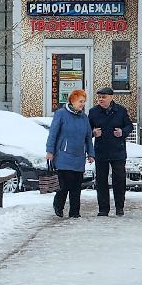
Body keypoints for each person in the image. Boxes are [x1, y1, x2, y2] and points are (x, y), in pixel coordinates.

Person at [45, 88, 93, 219]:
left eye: (84, 102)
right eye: (80, 101)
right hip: (63, 155)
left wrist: (90, 153)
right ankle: (58, 206)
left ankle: (75, 212)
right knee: (64, 186)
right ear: (72, 100)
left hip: (79, 157)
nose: (83, 104)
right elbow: (53, 134)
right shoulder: (61, 114)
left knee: (76, 187)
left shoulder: (84, 117)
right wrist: (50, 151)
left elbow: (88, 137)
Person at [87, 86, 132, 217]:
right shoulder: (93, 112)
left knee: (119, 180)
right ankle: (103, 209)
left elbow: (129, 125)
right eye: (99, 97)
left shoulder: (120, 110)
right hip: (101, 151)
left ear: (111, 97)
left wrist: (122, 132)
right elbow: (87, 130)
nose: (101, 99)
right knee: (101, 181)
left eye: (104, 97)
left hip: (118, 151)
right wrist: (93, 132)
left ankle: (119, 207)